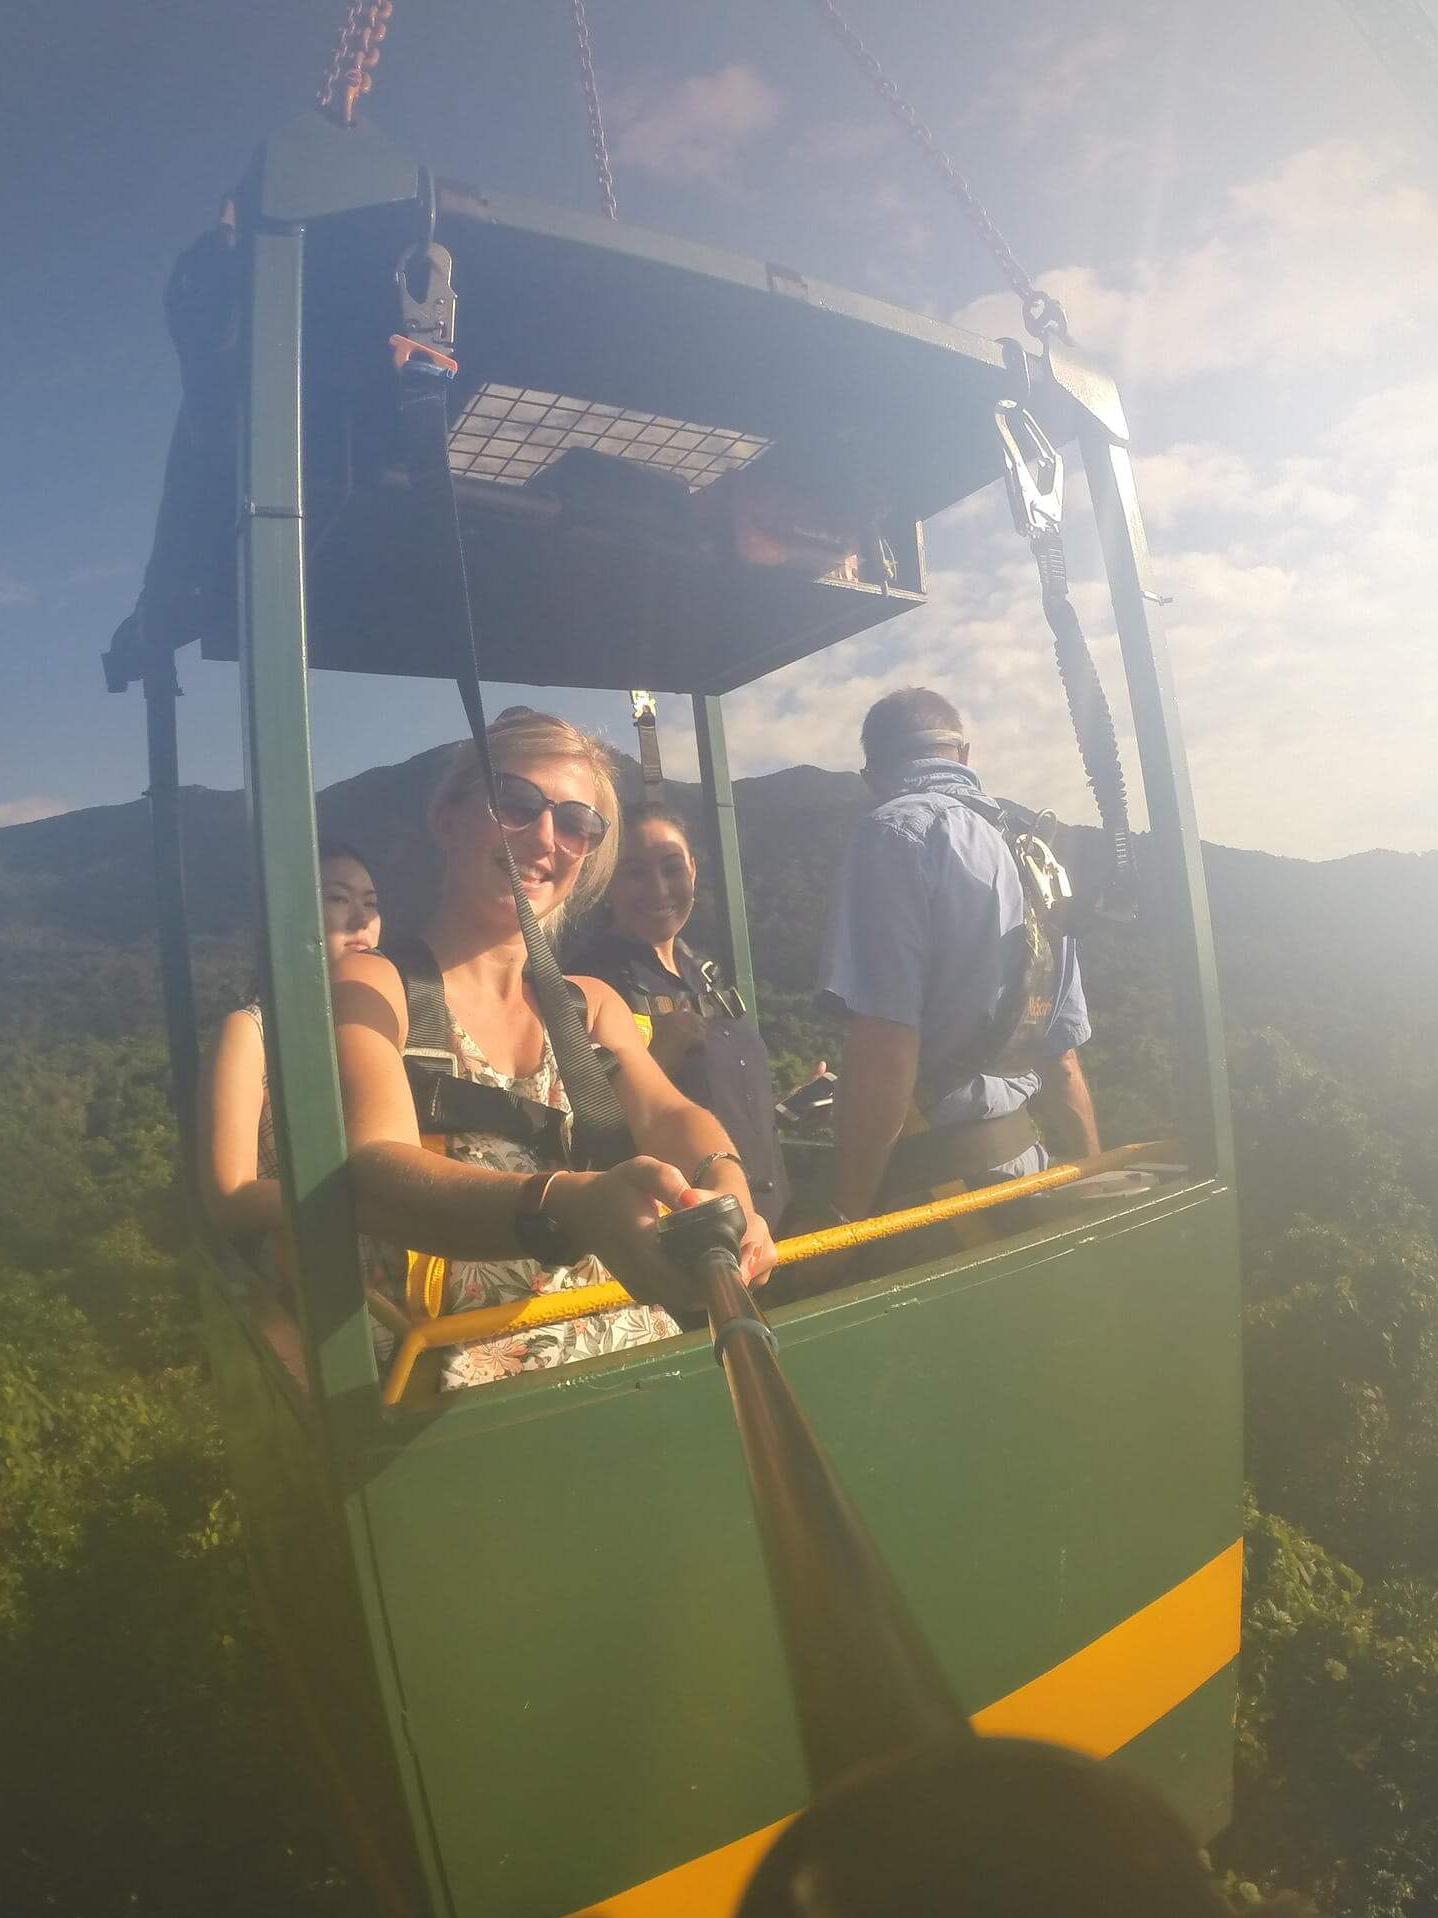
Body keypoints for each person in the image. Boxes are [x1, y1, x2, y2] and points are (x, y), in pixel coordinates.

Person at [331, 711, 775, 1393]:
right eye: (514, 804)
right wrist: (568, 1205)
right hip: (463, 1385)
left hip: (638, 1363)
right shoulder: (377, 988)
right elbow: (374, 1168)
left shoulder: (589, 1004)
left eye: (576, 824)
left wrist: (728, 1185)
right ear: (448, 819)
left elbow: (670, 1114)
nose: (545, 837)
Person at [817, 687, 1098, 1233]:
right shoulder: (1033, 854)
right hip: (1027, 1175)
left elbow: (886, 1045)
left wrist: (846, 1219)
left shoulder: (893, 833)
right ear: (964, 755)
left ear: (871, 774)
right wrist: (1090, 1175)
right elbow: (1060, 1056)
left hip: (937, 1193)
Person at [569, 800, 791, 1232]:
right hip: (692, 1234)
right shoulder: (591, 987)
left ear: (692, 870)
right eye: (635, 872)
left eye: (671, 868)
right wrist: (662, 1054)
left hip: (768, 1224)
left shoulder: (704, 975)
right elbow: (579, 1125)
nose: (658, 888)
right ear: (606, 884)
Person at [198, 840, 382, 1238]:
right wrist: (374, 1209)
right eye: (338, 899)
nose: (360, 920)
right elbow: (229, 1197)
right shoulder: (252, 1033)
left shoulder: (386, 1021)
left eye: (370, 903)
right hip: (316, 1277)